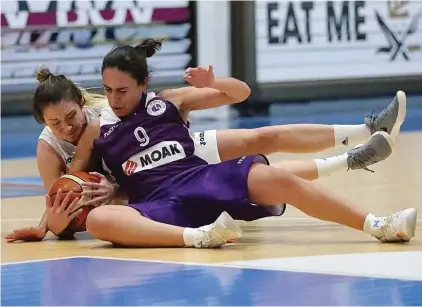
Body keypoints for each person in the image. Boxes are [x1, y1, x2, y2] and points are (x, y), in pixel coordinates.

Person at [4, 40, 407, 242]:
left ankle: (378, 224)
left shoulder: (168, 102)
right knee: (100, 219)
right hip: (154, 200)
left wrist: (214, 83)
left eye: (122, 90)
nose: (113, 98)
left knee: (269, 170)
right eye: (107, 90)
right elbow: (71, 186)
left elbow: (240, 93)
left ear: (143, 84)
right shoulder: (96, 129)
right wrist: (49, 226)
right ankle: (198, 238)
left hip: (196, 173)